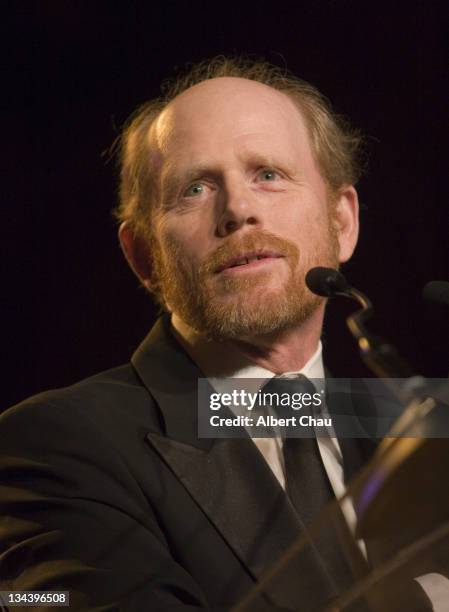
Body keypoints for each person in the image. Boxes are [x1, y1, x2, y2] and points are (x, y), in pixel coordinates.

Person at [0, 57, 432, 611]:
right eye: (195, 188)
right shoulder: (51, 445)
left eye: (268, 175)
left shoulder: (417, 425)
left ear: (342, 222)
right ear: (143, 257)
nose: (239, 210)